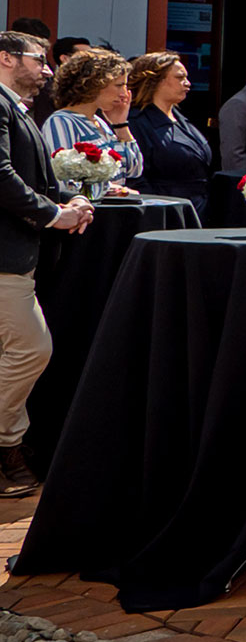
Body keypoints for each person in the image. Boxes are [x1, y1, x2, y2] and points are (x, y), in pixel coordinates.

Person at [0, 34, 89, 497]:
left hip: (19, 253)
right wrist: (54, 214)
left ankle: (9, 450)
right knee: (33, 350)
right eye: (40, 60)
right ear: (6, 58)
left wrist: (66, 199)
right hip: (4, 256)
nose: (50, 69)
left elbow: (29, 176)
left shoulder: (18, 107)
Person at [39, 52, 142, 189]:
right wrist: (109, 190)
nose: (124, 93)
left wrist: (120, 124)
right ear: (94, 84)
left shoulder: (100, 122)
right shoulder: (62, 122)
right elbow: (62, 179)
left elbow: (134, 170)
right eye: (119, 85)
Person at [127, 53, 212, 218]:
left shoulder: (181, 119)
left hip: (198, 209)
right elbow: (136, 176)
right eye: (180, 78)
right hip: (168, 212)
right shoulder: (136, 122)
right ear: (155, 80)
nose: (187, 84)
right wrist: (158, 211)